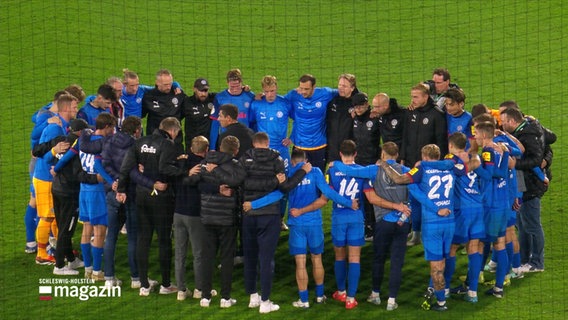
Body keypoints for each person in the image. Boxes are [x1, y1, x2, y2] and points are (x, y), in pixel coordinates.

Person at [247, 148, 357, 309]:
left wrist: (253, 205)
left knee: (300, 263)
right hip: (314, 224)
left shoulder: (289, 174)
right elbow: (328, 193)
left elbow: (276, 195)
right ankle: (320, 296)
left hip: (297, 224)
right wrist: (349, 203)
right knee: (316, 259)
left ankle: (304, 300)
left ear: (292, 161)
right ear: (305, 159)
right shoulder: (316, 171)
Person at [378, 144, 464, 312]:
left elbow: (398, 179)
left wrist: (384, 164)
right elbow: (465, 168)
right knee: (444, 259)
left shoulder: (421, 169)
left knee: (436, 266)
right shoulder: (449, 166)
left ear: (424, 157)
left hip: (433, 224)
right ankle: (440, 290)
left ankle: (441, 303)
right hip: (450, 222)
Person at [331, 142, 411, 311]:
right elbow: (415, 189)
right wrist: (404, 209)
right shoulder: (406, 171)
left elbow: (345, 174)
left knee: (373, 258)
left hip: (374, 220)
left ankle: (365, 294)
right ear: (396, 155)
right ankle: (387, 300)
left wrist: (334, 164)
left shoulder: (370, 170)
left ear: (382, 155)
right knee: (395, 261)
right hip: (399, 221)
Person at [116, 117, 186, 296]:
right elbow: (164, 168)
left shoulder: (139, 142)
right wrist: (182, 169)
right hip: (161, 198)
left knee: (143, 239)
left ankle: (144, 285)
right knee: (164, 240)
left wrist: (122, 189)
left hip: (141, 196)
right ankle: (166, 284)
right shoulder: (167, 145)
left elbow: (125, 168)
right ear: (173, 131)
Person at [184, 135, 247, 308]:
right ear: (235, 150)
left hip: (207, 217)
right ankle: (225, 298)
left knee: (207, 257)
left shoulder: (206, 163)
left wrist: (190, 174)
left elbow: (191, 182)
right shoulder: (235, 165)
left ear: (220, 148)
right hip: (227, 219)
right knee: (226, 258)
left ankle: (205, 297)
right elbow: (236, 181)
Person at [239, 132, 288, 314]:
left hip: (248, 213)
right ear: (267, 143)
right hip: (269, 215)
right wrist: (274, 181)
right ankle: (265, 302)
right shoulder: (277, 159)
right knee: (266, 259)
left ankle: (253, 296)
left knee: (250, 257)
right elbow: (283, 187)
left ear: (253, 143)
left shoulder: (245, 158)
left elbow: (242, 183)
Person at [327, 140, 376, 310]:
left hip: (338, 218)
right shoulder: (362, 171)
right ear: (356, 154)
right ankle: (350, 298)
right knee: (355, 258)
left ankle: (341, 291)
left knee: (339, 256)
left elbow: (328, 194)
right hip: (356, 218)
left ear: (340, 153)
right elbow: (370, 198)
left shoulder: (332, 169)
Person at [33, 94, 79, 265]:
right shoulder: (55, 128)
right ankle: (41, 253)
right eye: (74, 107)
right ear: (66, 108)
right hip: (46, 177)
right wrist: (54, 152)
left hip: (53, 177)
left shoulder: (62, 125)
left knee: (57, 217)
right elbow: (45, 157)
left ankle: (62, 248)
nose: (76, 109)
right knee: (47, 217)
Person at [500, 107, 547, 273]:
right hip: (520, 186)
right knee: (522, 224)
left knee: (532, 226)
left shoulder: (529, 134)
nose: (502, 124)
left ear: (513, 121)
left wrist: (516, 164)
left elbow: (536, 159)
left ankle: (537, 263)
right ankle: (524, 259)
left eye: (504, 122)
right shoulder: (523, 131)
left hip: (531, 186)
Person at [400, 84, 448, 246]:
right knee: (413, 199)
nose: (412, 99)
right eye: (412, 96)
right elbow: (405, 136)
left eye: (416, 96)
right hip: (411, 164)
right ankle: (416, 233)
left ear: (426, 96)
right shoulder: (410, 112)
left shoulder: (437, 115)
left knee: (429, 200)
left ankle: (429, 232)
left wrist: (437, 165)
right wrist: (402, 158)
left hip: (428, 166)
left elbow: (442, 142)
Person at [442, 133, 485, 303]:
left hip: (461, 210)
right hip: (478, 207)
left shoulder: (450, 159)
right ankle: (472, 292)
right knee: (473, 248)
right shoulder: (475, 157)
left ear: (451, 146)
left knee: (451, 249)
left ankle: (444, 289)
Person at [173, 136, 216, 301]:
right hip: (195, 215)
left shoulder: (181, 163)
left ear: (191, 148)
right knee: (199, 254)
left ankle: (181, 291)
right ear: (205, 150)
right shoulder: (203, 167)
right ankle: (199, 289)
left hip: (178, 214)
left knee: (180, 253)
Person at [248, 75, 292, 230]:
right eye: (267, 91)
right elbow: (251, 123)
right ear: (263, 91)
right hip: (262, 152)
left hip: (282, 151)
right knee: (262, 183)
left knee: (284, 184)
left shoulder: (285, 103)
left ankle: (280, 218)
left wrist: (292, 137)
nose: (270, 94)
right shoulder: (256, 105)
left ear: (277, 88)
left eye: (272, 91)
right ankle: (262, 216)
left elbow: (300, 118)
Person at [49, 119, 91, 275]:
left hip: (57, 189)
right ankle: (59, 266)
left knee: (62, 226)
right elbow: (76, 174)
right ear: (80, 132)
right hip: (69, 194)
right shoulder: (79, 147)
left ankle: (71, 260)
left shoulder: (62, 142)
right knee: (66, 229)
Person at [78, 113, 117, 282]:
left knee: (87, 228)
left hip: (83, 188)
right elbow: (99, 165)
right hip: (97, 189)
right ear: (107, 126)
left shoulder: (84, 140)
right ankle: (97, 271)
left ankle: (87, 268)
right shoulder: (104, 143)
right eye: (112, 128)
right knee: (99, 230)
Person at [473, 121, 510, 298]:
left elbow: (487, 175)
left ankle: (471, 287)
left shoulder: (487, 151)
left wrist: (475, 165)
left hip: (491, 205)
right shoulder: (500, 148)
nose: (475, 137)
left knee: (479, 244)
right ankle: (498, 288)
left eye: (476, 134)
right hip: (503, 203)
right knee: (499, 243)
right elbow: (502, 173)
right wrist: (508, 151)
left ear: (485, 135)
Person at [285, 74, 338, 172]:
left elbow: (344, 92)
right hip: (300, 146)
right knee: (297, 178)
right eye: (301, 88)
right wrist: (261, 97)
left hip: (319, 146)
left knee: (318, 177)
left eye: (306, 89)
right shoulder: (294, 95)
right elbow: (279, 102)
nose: (303, 92)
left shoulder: (325, 93)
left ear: (314, 87)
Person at [351, 92, 381, 240]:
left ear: (367, 104)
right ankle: (367, 225)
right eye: (355, 106)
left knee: (373, 196)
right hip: (358, 164)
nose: (358, 109)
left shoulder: (375, 118)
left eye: (361, 106)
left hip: (372, 164)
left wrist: (381, 158)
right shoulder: (354, 118)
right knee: (360, 195)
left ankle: (375, 225)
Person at [210, 68, 255, 149]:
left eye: (237, 86)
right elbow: (215, 124)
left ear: (241, 83)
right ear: (227, 83)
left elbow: (254, 121)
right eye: (232, 86)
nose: (234, 89)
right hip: (226, 142)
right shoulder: (220, 98)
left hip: (245, 140)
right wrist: (212, 147)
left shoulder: (250, 96)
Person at [141, 69, 186, 150]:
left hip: (176, 141)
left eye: (170, 84)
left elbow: (185, 111)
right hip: (155, 141)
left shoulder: (178, 94)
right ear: (157, 82)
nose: (169, 87)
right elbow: (141, 114)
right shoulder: (149, 96)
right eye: (165, 85)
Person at [326, 73, 357, 163]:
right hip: (333, 149)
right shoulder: (333, 101)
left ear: (352, 88)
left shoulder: (357, 104)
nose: (340, 88)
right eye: (339, 85)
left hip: (349, 150)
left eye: (344, 86)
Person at [182, 78, 216, 151]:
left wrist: (243, 89)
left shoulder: (213, 99)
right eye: (200, 91)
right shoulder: (187, 102)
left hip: (210, 146)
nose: (203, 94)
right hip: (194, 147)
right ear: (194, 89)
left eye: (205, 91)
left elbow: (227, 95)